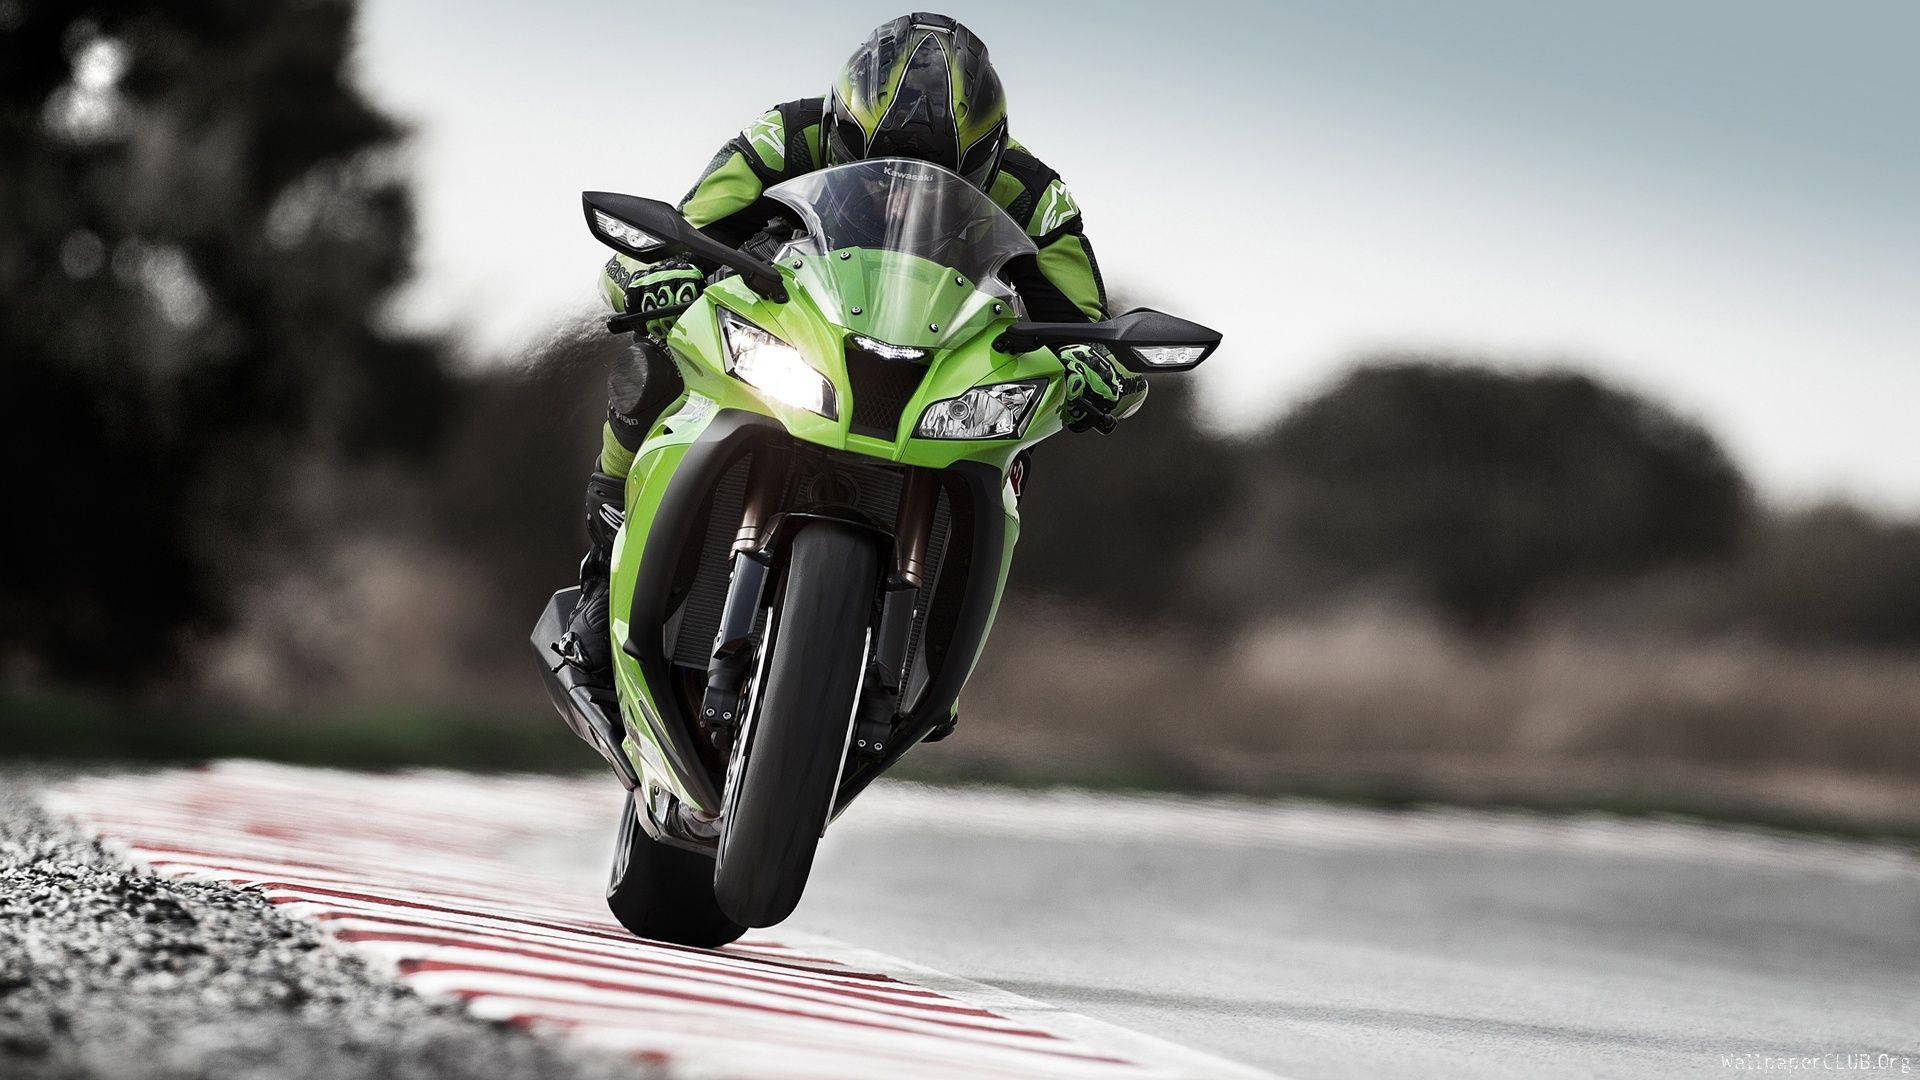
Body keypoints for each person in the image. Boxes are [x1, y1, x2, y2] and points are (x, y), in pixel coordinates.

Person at [560, 11, 1146, 685]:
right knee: (657, 355)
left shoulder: (1035, 196)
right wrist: (658, 274)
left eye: (943, 179)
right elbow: (684, 232)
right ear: (840, 129)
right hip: (793, 326)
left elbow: (1087, 326)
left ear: (988, 157)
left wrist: (1101, 367)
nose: (897, 203)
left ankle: (934, 665)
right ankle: (604, 572)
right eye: (874, 172)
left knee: (1020, 438)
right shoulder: (785, 136)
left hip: (944, 369)